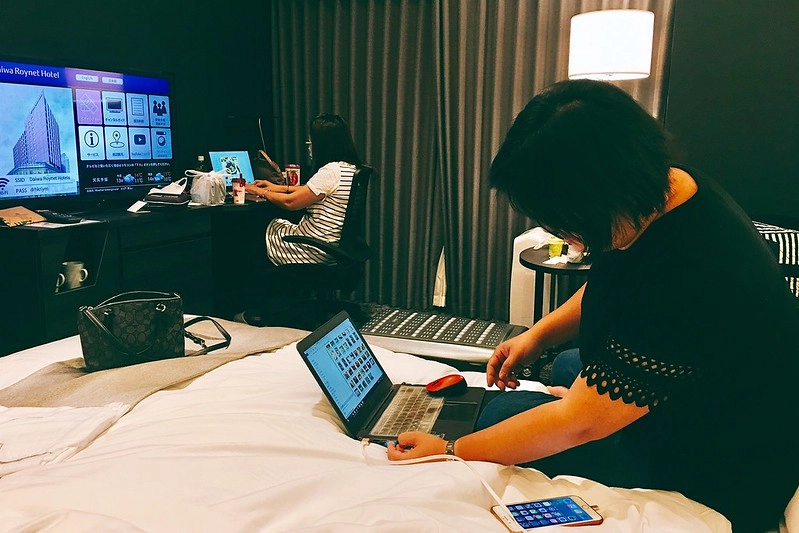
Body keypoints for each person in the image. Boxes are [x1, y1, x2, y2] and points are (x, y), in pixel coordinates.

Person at [387, 79, 799, 532]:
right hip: (714, 389)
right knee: (567, 364)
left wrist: (450, 451)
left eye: (564, 224)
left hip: (724, 462)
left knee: (496, 415)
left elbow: (578, 423)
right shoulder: (660, 189)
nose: (566, 237)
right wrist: (537, 335)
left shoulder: (689, 272)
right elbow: (610, 283)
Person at [245, 112, 362, 266]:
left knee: (258, 231)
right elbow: (307, 191)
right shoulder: (349, 168)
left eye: (311, 142)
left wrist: (261, 192)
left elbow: (290, 203)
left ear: (323, 144)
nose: (309, 146)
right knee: (275, 225)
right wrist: (276, 187)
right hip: (333, 247)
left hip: (314, 249)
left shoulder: (331, 171)